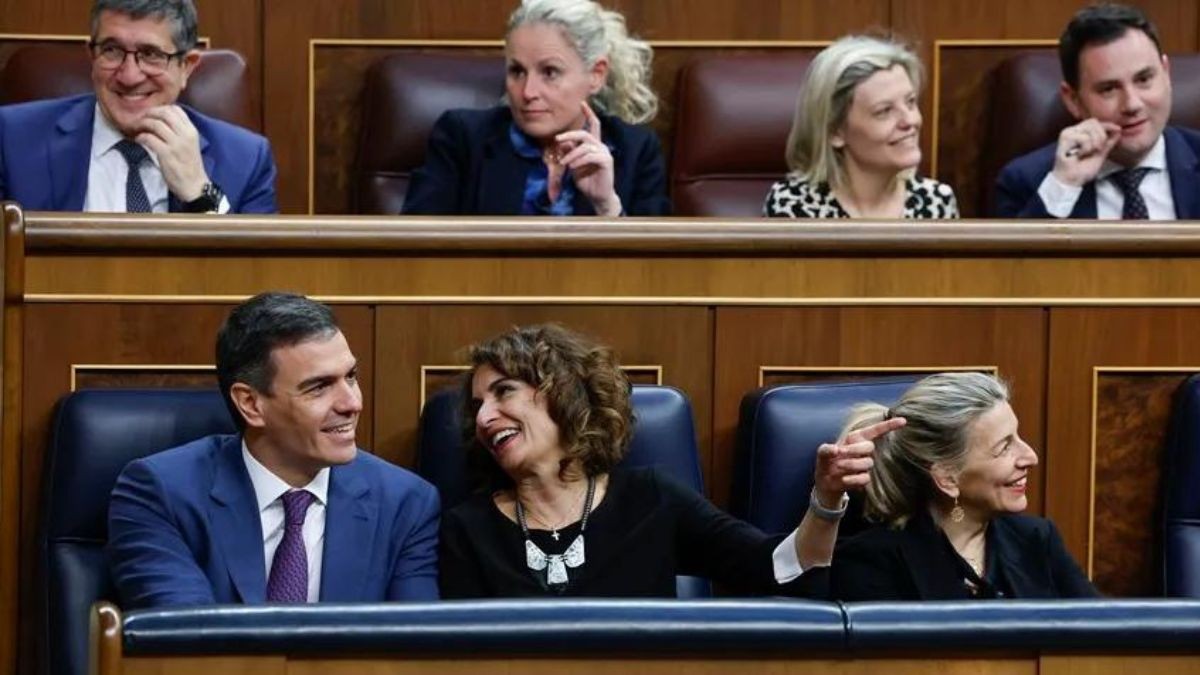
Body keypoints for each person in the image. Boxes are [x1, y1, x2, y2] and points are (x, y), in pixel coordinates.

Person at [438, 323, 902, 598]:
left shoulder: (652, 499)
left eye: (503, 393)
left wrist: (825, 497)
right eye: (476, 405)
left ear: (564, 394)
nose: (484, 417)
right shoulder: (466, 527)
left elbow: (777, 568)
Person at [108, 292, 439, 608]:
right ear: (251, 404)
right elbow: (190, 643)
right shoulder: (161, 493)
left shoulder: (405, 504)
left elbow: (411, 653)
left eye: (351, 377)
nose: (352, 403)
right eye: (319, 387)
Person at [830, 372, 1099, 600]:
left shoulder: (1037, 539)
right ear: (947, 478)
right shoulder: (873, 561)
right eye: (1004, 447)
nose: (1031, 457)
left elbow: (1106, 634)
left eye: (1018, 436)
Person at [0, 0, 277, 213]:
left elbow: (257, 279)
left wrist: (202, 194)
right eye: (112, 50)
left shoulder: (246, 160)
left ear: (186, 67)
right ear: (92, 57)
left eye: (151, 54)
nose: (130, 76)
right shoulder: (11, 139)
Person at [402, 0, 670, 217]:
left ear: (596, 75)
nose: (528, 92)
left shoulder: (637, 151)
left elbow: (656, 272)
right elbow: (413, 249)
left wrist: (606, 207)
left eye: (550, 72)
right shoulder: (462, 138)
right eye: (517, 71)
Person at [993, 3, 1200, 219]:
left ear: (1166, 73)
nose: (1132, 105)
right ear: (1073, 100)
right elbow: (1021, 253)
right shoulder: (1025, 182)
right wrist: (1064, 185)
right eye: (1108, 89)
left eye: (1143, 79)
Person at [764, 35, 958, 219]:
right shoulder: (792, 206)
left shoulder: (936, 201)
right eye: (884, 111)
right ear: (835, 131)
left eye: (910, 102)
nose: (910, 121)